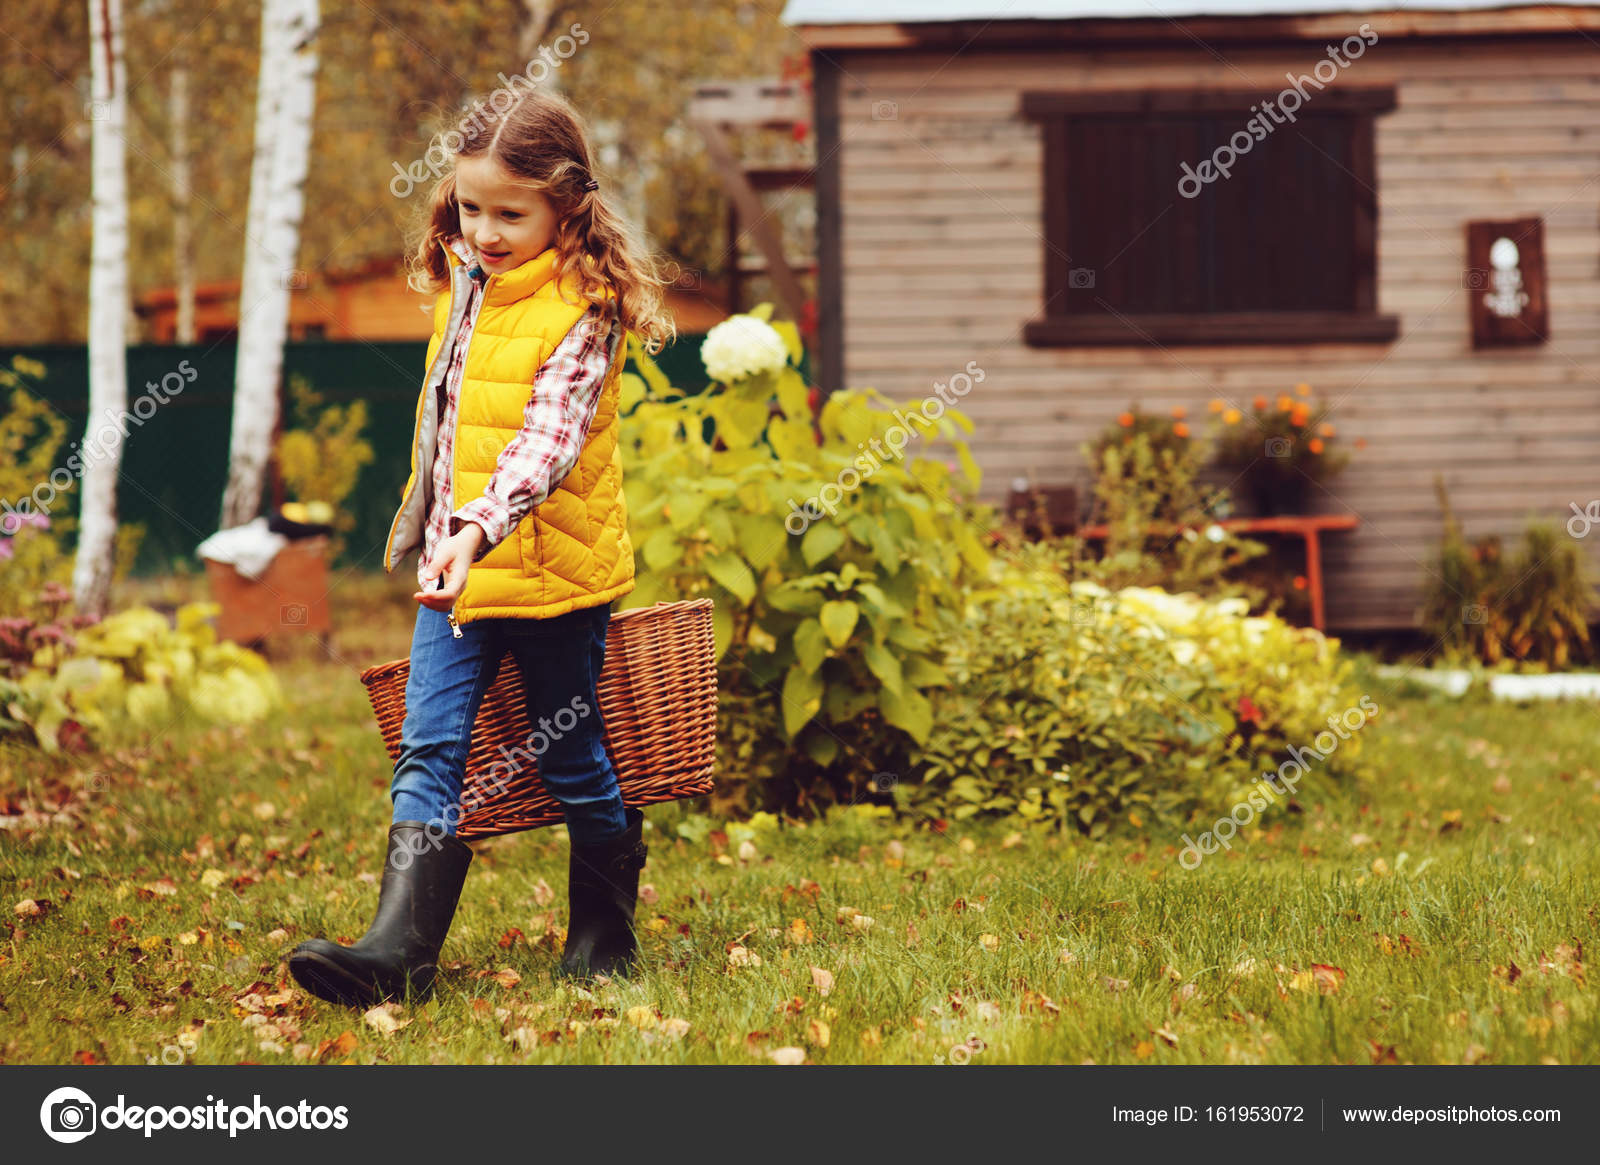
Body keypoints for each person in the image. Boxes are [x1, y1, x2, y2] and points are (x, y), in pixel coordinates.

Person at [288, 87, 676, 1009]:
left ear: (565, 206)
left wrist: (473, 528)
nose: (486, 231)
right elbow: (448, 424)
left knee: (569, 753)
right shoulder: (465, 285)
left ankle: (604, 928)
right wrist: (437, 531)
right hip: (457, 574)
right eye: (471, 208)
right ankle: (399, 952)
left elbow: (545, 444)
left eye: (511, 213)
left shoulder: (585, 308)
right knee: (427, 746)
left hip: (552, 576)